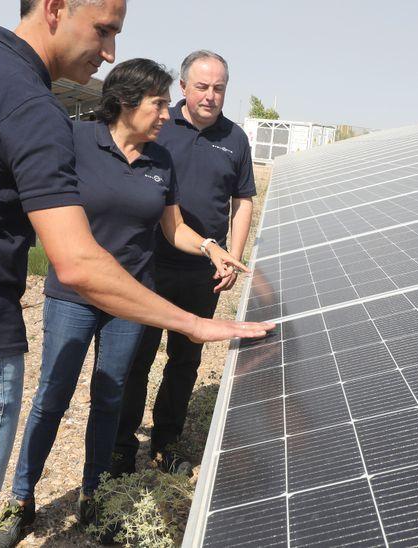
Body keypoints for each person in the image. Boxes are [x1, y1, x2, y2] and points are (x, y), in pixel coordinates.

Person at [0, 1, 273, 545]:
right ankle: (22, 500)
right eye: (104, 30)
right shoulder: (34, 106)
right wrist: (194, 323)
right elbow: (77, 264)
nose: (109, 51)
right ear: (56, 8)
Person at [0, 58, 247, 547]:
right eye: (158, 104)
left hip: (131, 296)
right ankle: (19, 501)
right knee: (52, 396)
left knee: (110, 397)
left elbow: (173, 228)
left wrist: (213, 248)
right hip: (75, 294)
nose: (167, 114)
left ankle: (94, 492)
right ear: (127, 103)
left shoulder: (159, 159)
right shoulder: (77, 138)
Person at [113, 50, 257, 476]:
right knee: (137, 358)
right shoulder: (158, 127)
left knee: (185, 360)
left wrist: (232, 255)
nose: (211, 96)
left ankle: (166, 443)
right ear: (183, 87)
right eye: (202, 87)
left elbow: (243, 200)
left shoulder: (235, 139)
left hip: (202, 274)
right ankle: (121, 446)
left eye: (219, 88)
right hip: (152, 266)